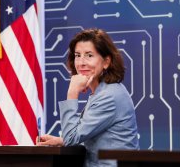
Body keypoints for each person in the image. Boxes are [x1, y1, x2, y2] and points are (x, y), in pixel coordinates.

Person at [37, 29, 139, 167]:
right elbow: (90, 137)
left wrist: (72, 92)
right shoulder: (103, 91)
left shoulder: (109, 96)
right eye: (77, 55)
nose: (81, 62)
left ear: (106, 62)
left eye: (89, 55)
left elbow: (72, 138)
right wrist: (62, 141)